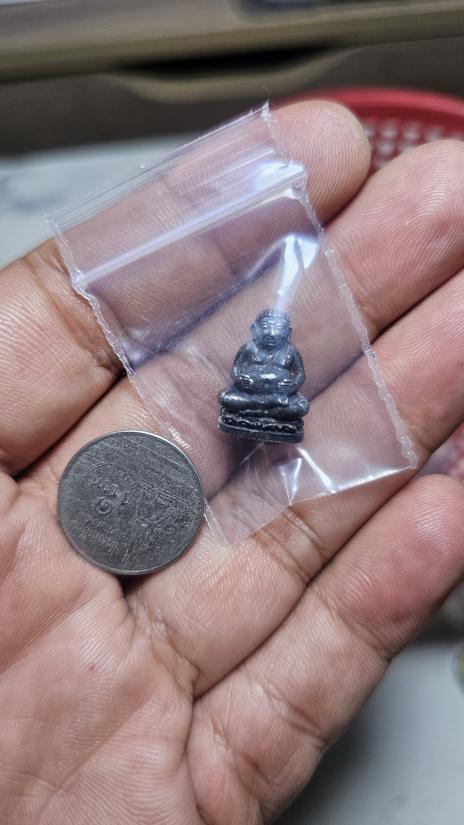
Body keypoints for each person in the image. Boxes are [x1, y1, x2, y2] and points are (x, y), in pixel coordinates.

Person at [0, 100, 463, 824]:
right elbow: (248, 376)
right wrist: (256, 380)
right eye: (268, 330)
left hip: (275, 405)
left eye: (275, 330)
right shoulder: (251, 350)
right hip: (247, 401)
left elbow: (284, 380)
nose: (270, 336)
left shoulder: (283, 351)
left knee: (283, 398)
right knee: (248, 394)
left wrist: (278, 383)